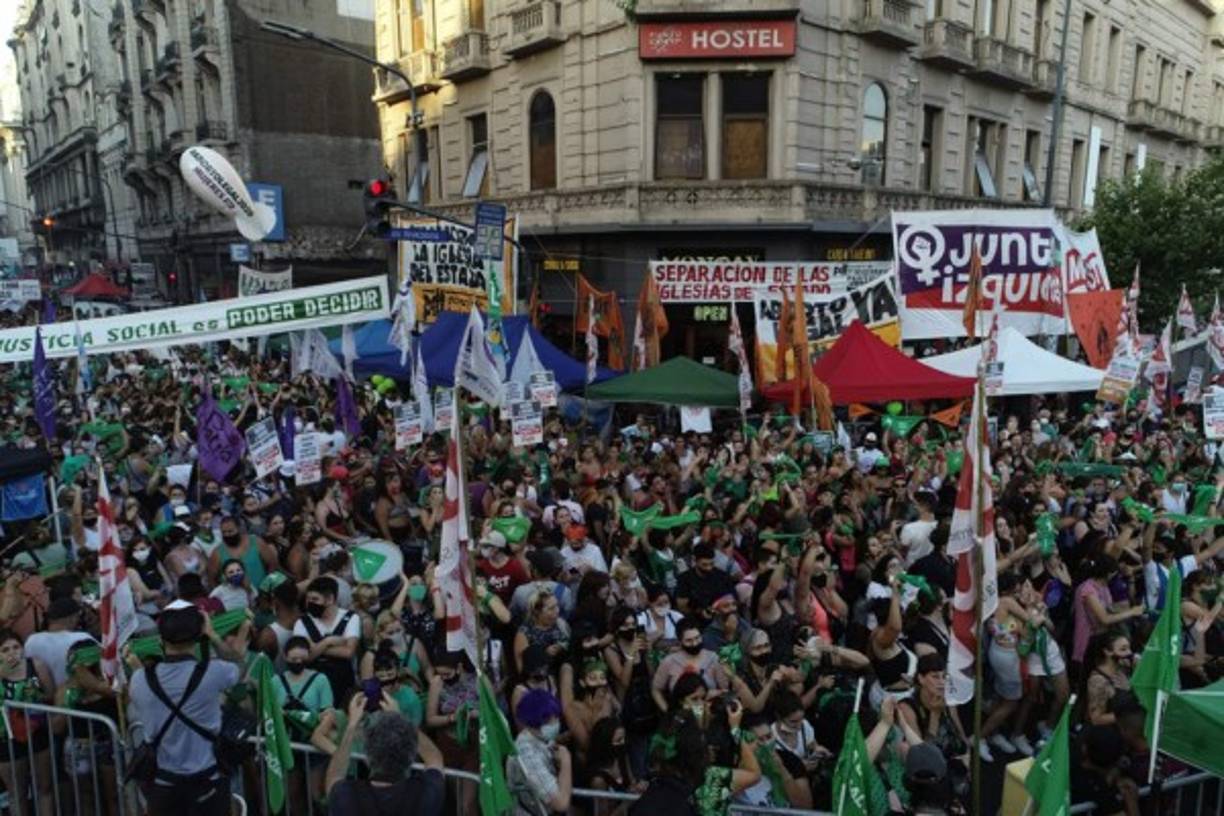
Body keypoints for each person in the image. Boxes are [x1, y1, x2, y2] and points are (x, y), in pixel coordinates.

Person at [128, 601, 241, 816]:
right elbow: (239, 665)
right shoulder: (213, 673)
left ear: (160, 640)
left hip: (164, 787)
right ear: (199, 636)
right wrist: (214, 636)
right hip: (208, 783)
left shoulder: (139, 679)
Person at [324, 693, 445, 816]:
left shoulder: (347, 796)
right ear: (410, 756)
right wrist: (401, 719)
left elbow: (335, 775)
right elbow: (433, 757)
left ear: (368, 756)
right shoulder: (424, 794)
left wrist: (352, 725)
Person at [294, 576, 361, 701]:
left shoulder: (351, 618)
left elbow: (348, 652)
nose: (309, 603)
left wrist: (315, 647)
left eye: (315, 599)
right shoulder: (302, 622)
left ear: (330, 599)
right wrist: (328, 642)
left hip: (343, 684)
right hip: (313, 686)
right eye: (308, 599)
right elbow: (305, 657)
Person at [508, 689, 573, 815]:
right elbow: (561, 803)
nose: (556, 723)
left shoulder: (542, 738)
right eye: (550, 720)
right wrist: (566, 761)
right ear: (535, 722)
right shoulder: (527, 753)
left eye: (556, 718)